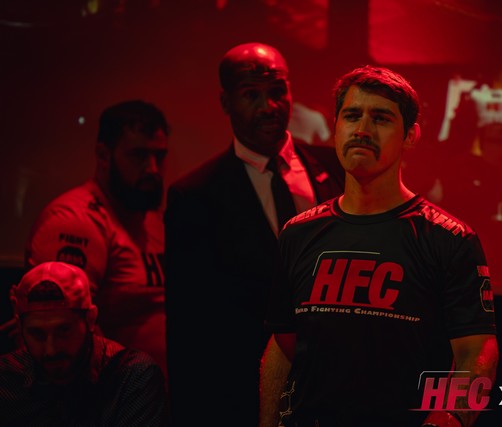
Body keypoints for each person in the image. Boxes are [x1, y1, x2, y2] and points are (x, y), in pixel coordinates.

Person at [260, 65, 499, 427]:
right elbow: (282, 347)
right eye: (352, 116)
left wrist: (448, 418)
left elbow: (477, 352)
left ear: (410, 136)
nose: (362, 129)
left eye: (381, 118)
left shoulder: (449, 239)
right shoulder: (298, 234)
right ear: (336, 127)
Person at [163, 42, 344, 426]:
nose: (268, 107)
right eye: (251, 95)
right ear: (225, 102)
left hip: (340, 387)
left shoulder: (338, 170)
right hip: (242, 393)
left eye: (277, 91)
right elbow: (189, 328)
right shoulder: (194, 197)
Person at [21, 99, 170, 379]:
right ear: (103, 155)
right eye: (139, 155)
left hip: (157, 392)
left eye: (159, 156)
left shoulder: (151, 218)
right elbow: (60, 335)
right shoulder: (75, 220)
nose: (152, 168)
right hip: (113, 396)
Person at [0, 261, 169, 426]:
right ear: (20, 327)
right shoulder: (6, 379)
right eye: (37, 334)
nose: (51, 350)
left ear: (90, 319)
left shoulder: (130, 378)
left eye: (64, 330)